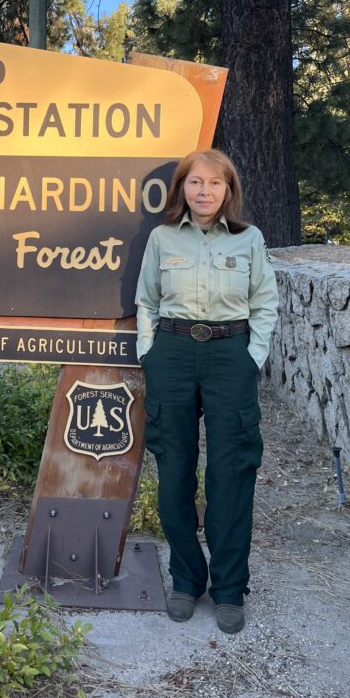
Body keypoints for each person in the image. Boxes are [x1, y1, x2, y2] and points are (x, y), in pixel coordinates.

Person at [135, 149, 278, 634]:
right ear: (182, 189)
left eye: (214, 184)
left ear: (228, 190)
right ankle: (185, 578)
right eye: (195, 182)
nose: (204, 192)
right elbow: (147, 301)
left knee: (231, 471)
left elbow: (264, 302)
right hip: (173, 355)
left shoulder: (249, 239)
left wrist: (251, 358)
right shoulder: (161, 238)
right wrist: (149, 352)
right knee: (174, 467)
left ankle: (230, 587)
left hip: (229, 354)